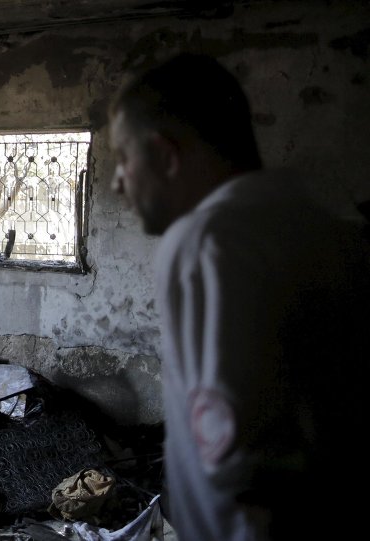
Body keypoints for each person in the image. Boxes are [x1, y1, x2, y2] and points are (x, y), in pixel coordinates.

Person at [108, 53, 370, 540]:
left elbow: (242, 460)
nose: (116, 180)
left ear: (166, 156)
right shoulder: (332, 234)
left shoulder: (207, 240)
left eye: (124, 158)